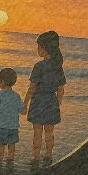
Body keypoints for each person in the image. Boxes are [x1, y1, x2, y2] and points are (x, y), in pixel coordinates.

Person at [26, 30, 66, 165]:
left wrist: (25, 103)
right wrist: (58, 103)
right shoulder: (58, 67)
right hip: (51, 101)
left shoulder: (39, 66)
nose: (37, 49)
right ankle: (48, 154)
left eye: (39, 47)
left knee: (37, 132)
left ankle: (35, 157)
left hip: (38, 101)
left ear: (45, 49)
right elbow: (61, 89)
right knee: (49, 132)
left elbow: (32, 87)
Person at [0, 68, 25, 165]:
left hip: (1, 127)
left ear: (2, 82)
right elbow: (23, 111)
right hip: (13, 127)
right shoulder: (16, 96)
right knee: (11, 145)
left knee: (0, 146)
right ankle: (10, 161)